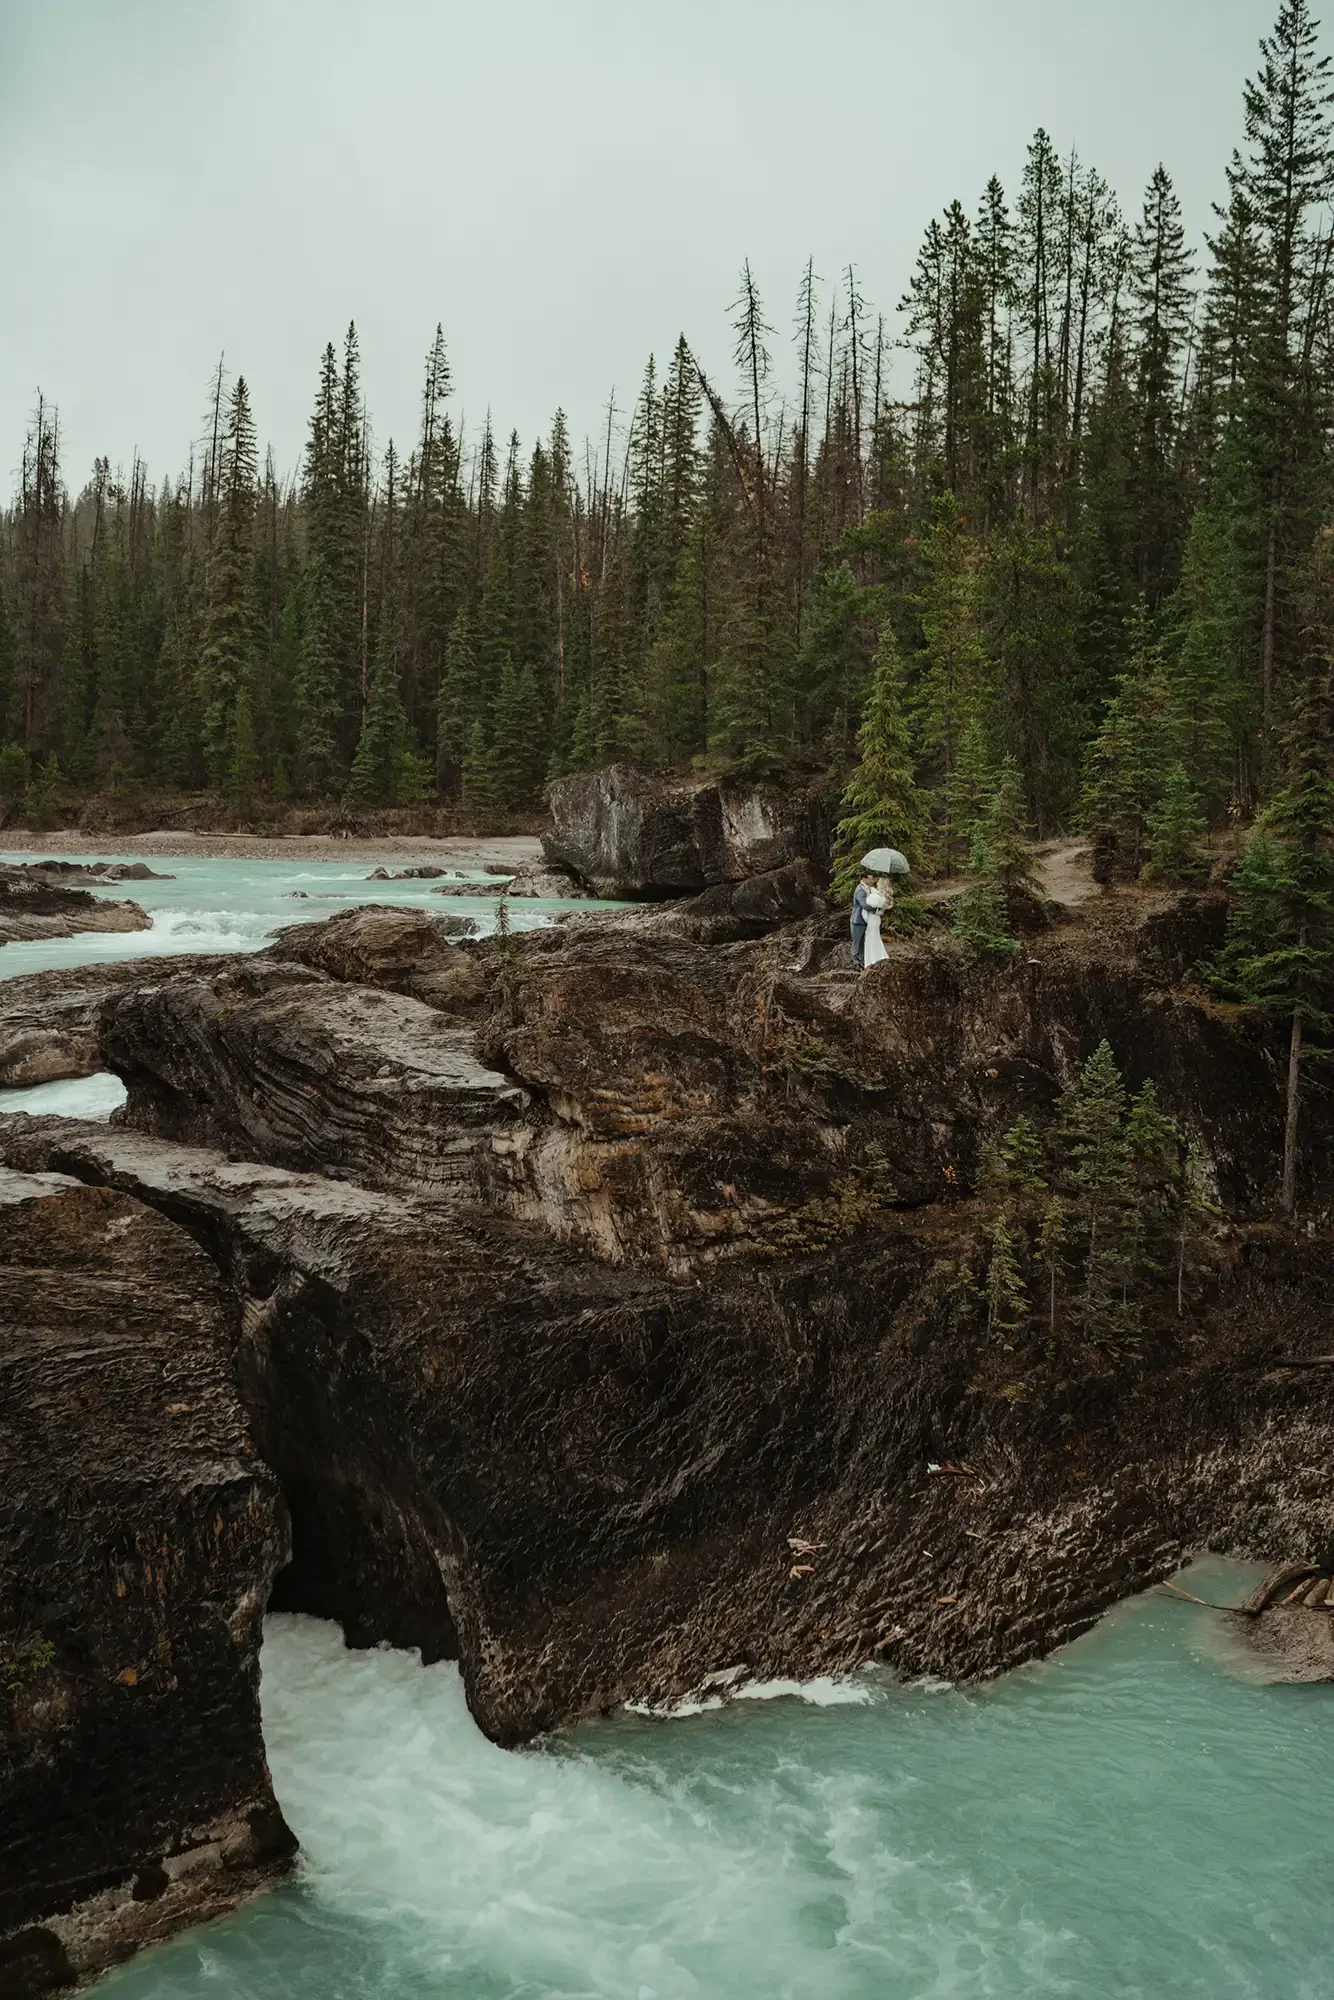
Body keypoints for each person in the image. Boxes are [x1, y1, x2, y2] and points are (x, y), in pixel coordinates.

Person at [862, 874, 894, 968]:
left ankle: (872, 960)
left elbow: (867, 902)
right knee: (875, 938)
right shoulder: (883, 897)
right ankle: (878, 957)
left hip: (872, 920)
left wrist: (870, 893)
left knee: (870, 940)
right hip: (876, 920)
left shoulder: (877, 898)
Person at [850, 869, 874, 967]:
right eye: (869, 879)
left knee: (862, 942)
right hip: (857, 919)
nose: (871, 881)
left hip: (864, 919)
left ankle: (862, 961)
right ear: (863, 878)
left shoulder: (867, 888)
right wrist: (876, 908)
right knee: (856, 941)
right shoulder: (860, 890)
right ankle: (856, 962)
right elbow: (864, 904)